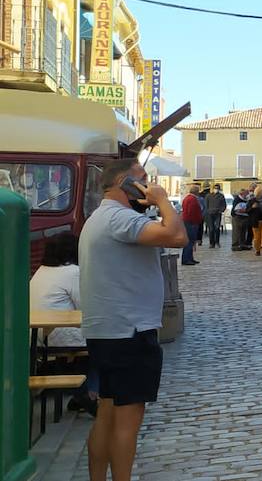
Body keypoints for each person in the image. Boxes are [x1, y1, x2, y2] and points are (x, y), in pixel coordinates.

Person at [79, 159, 188, 481]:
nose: (149, 185)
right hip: (130, 330)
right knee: (128, 421)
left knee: (107, 413)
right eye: (143, 180)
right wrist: (163, 200)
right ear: (126, 183)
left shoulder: (100, 217)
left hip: (108, 329)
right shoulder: (119, 218)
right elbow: (177, 235)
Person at [29, 233, 99, 415]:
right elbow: (87, 305)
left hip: (39, 336)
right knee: (106, 342)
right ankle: (89, 394)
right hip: (59, 334)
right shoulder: (72, 272)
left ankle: (81, 394)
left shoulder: (41, 270)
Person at [179, 184, 203, 266]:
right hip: (191, 222)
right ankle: (186, 259)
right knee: (190, 241)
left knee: (191, 241)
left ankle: (190, 258)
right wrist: (196, 221)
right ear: (196, 192)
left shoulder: (187, 198)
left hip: (188, 222)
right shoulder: (192, 199)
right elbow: (191, 212)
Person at [204, 184, 227, 249]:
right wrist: (208, 211)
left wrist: (221, 210)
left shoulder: (221, 196)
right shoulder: (208, 196)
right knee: (211, 229)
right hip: (210, 214)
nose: (216, 189)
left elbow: (224, 205)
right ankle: (211, 243)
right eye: (215, 188)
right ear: (213, 189)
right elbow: (206, 205)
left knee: (217, 228)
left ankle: (217, 242)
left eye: (217, 188)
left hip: (217, 213)